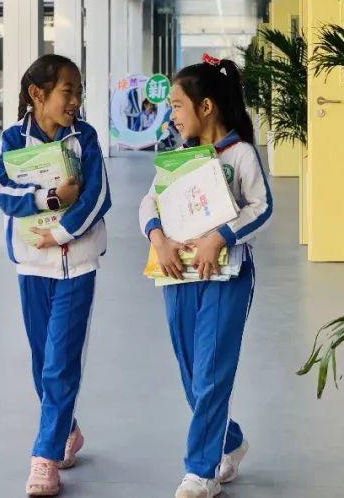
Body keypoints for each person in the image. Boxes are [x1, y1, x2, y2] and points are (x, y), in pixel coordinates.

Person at [138, 56, 273, 498]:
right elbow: (150, 202)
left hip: (227, 278)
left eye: (178, 106)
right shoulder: (178, 156)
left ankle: (201, 472)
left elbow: (262, 207)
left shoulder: (241, 153)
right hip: (178, 276)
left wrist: (220, 237)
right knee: (193, 376)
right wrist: (158, 238)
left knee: (212, 373)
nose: (173, 115)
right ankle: (230, 441)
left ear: (207, 106)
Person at [0, 54, 111, 497]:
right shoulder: (12, 139)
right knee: (43, 362)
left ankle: (45, 456)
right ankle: (67, 431)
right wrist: (49, 198)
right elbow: (1, 189)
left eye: (79, 92)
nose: (75, 101)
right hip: (31, 264)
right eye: (67, 91)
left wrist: (62, 232)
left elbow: (98, 196)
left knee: (60, 362)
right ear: (37, 94)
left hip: (76, 264)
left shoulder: (86, 138)